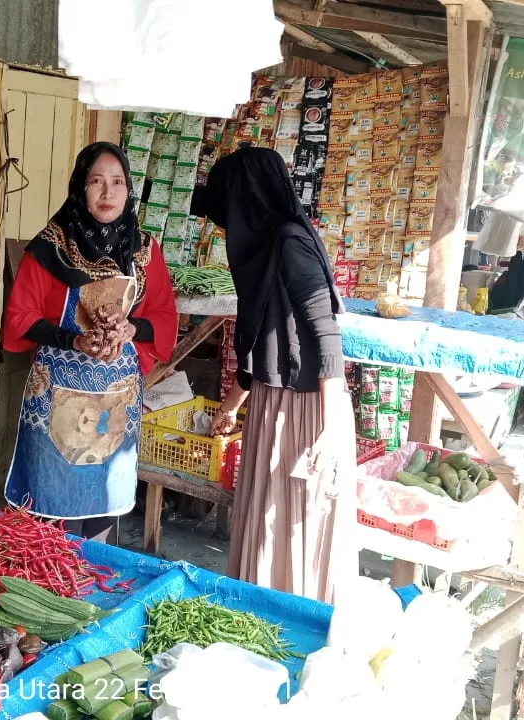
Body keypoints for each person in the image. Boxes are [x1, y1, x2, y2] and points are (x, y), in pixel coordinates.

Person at [192, 146, 355, 602]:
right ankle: (262, 614)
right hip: (273, 404)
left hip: (305, 412)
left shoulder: (288, 244)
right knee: (267, 519)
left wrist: (329, 427)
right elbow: (263, 345)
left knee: (289, 523)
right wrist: (230, 408)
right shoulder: (264, 251)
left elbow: (325, 333)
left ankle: (289, 623)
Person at [2, 142, 178, 542]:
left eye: (117, 182)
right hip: (56, 409)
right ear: (81, 187)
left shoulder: (145, 252)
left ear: (128, 190)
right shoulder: (50, 247)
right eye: (96, 182)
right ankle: (49, 593)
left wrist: (132, 329)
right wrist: (73, 340)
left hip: (114, 405)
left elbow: (165, 316)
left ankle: (88, 591)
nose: (107, 193)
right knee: (50, 520)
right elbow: (19, 318)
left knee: (100, 513)